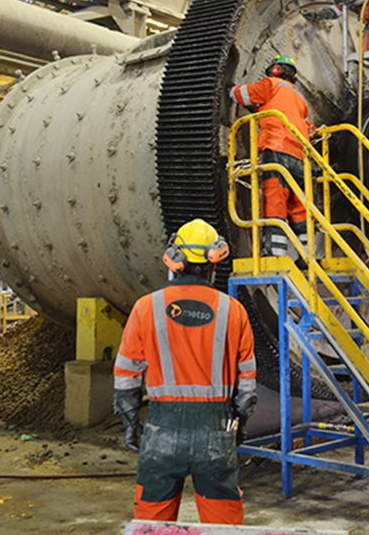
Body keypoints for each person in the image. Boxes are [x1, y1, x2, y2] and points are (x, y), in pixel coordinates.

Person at [113, 219, 257, 525]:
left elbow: (126, 375)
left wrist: (130, 422)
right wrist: (239, 422)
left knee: (152, 523)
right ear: (213, 264)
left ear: (174, 263)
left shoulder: (145, 308)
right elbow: (247, 382)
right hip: (216, 433)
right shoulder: (234, 311)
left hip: (162, 432)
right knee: (224, 527)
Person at [230, 55, 313, 258]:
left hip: (277, 149)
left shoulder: (271, 85)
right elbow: (308, 127)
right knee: (299, 205)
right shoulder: (300, 99)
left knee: (275, 200)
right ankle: (307, 254)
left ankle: (275, 253)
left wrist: (231, 90)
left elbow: (245, 95)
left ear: (275, 70)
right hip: (301, 156)